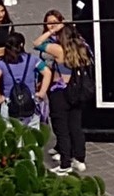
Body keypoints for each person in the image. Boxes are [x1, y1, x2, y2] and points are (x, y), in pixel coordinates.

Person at [33, 20, 92, 175]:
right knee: (75, 126)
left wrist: (51, 32)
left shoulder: (58, 49)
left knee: (62, 129)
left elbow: (37, 43)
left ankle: (65, 163)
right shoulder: (81, 48)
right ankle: (79, 158)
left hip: (60, 92)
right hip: (77, 91)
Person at [0, 32, 49, 127]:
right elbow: (47, 73)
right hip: (30, 101)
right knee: (32, 135)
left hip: (9, 102)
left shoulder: (1, 63)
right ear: (21, 44)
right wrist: (42, 92)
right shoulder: (32, 59)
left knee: (10, 134)